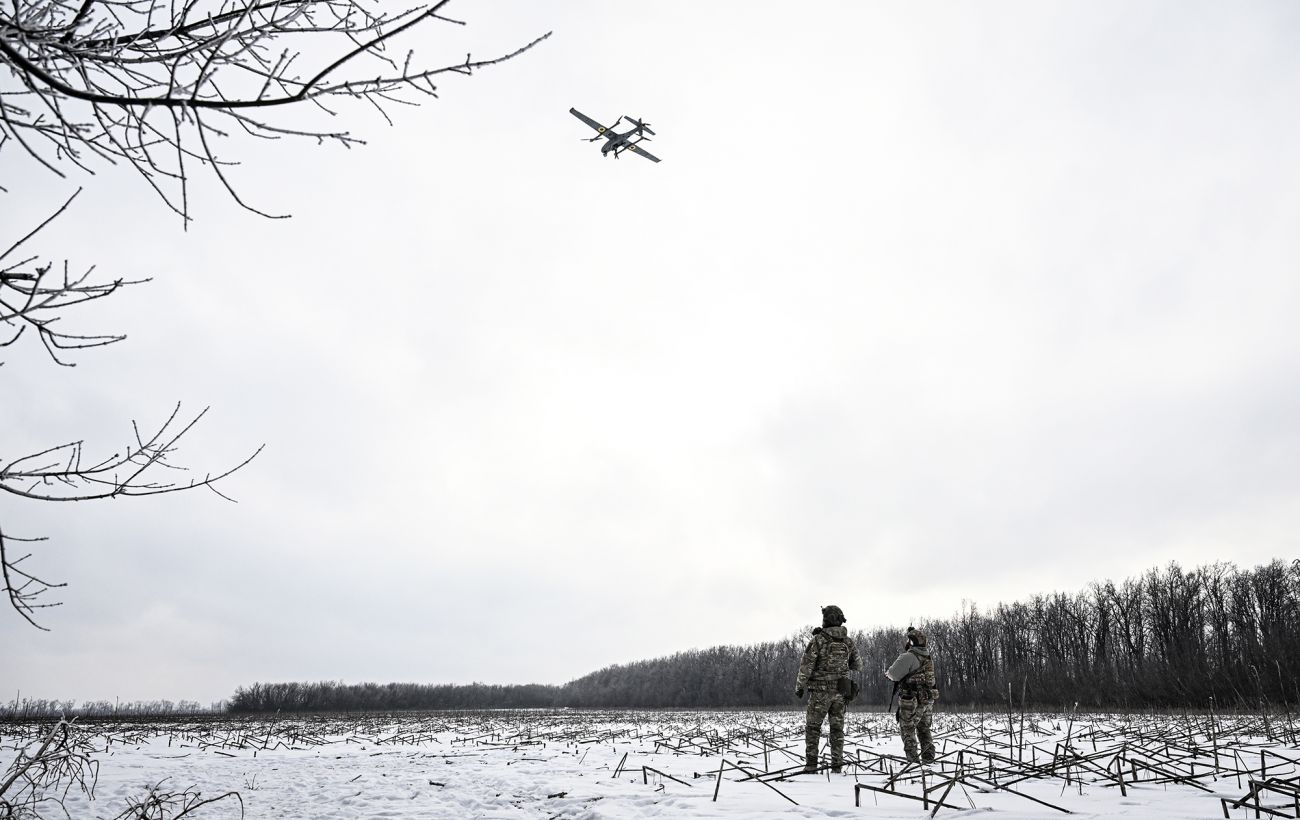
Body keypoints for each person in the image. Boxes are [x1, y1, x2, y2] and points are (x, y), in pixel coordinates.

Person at [794, 604, 861, 773]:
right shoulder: (848, 641)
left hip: (820, 692)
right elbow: (858, 665)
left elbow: (806, 666)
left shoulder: (818, 640)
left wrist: (800, 686)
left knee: (813, 728)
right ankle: (837, 765)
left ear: (826, 620)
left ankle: (811, 765)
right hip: (841, 692)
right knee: (837, 730)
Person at [885, 626, 938, 764]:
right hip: (928, 700)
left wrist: (888, 673)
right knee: (924, 729)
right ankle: (929, 760)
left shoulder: (909, 656)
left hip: (912, 700)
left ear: (912, 642)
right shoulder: (928, 657)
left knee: (908, 730)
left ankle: (913, 762)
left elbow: (893, 674)